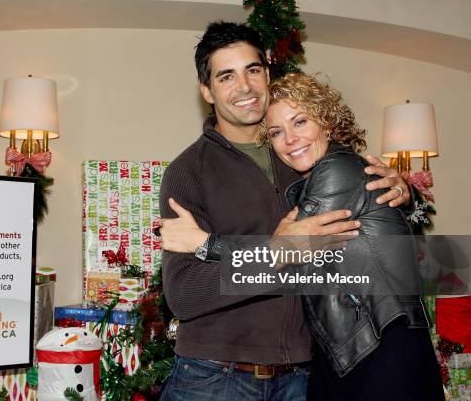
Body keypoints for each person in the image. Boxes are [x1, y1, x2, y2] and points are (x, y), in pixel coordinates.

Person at [158, 21, 412, 401]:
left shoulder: (301, 156)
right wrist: (275, 253)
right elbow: (184, 295)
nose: (244, 87)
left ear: (267, 74)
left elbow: (354, 249)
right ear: (207, 91)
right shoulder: (188, 171)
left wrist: (406, 194)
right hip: (215, 377)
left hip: (301, 377)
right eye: (226, 76)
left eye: (253, 70)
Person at [261, 73, 443, 401]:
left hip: (377, 346)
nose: (289, 139)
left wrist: (202, 244)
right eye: (277, 132)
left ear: (327, 124)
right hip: (360, 341)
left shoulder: (336, 170)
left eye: (300, 121)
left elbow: (283, 256)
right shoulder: (316, 178)